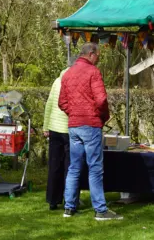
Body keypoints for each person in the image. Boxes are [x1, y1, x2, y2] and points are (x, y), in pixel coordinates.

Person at [59, 43, 122, 221]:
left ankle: (69, 208)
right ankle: (100, 210)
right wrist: (103, 116)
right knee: (95, 168)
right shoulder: (93, 72)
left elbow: (62, 102)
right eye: (98, 55)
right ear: (91, 54)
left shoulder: (68, 73)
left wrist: (74, 113)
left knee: (74, 167)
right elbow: (101, 99)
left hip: (74, 125)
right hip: (90, 124)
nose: (99, 58)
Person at [43, 68, 70, 210]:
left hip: (54, 128)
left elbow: (49, 104)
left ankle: (52, 200)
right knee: (69, 166)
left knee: (54, 165)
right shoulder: (74, 81)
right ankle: (69, 200)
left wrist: (45, 126)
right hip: (69, 129)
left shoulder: (57, 81)